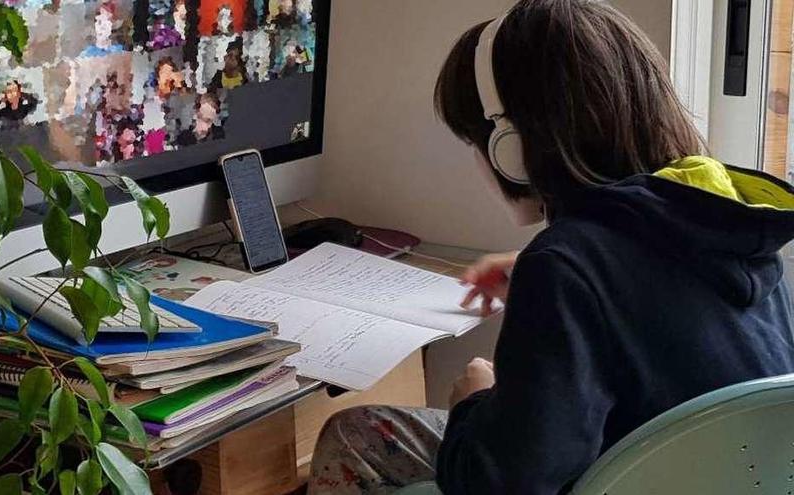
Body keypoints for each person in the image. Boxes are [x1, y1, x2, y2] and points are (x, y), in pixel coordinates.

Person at [307, 0, 794, 493]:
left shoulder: (564, 267)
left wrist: (473, 400)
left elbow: (508, 482)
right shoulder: (733, 224)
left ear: (510, 145)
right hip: (712, 477)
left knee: (354, 435)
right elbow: (657, 301)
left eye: (476, 143)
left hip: (616, 477)